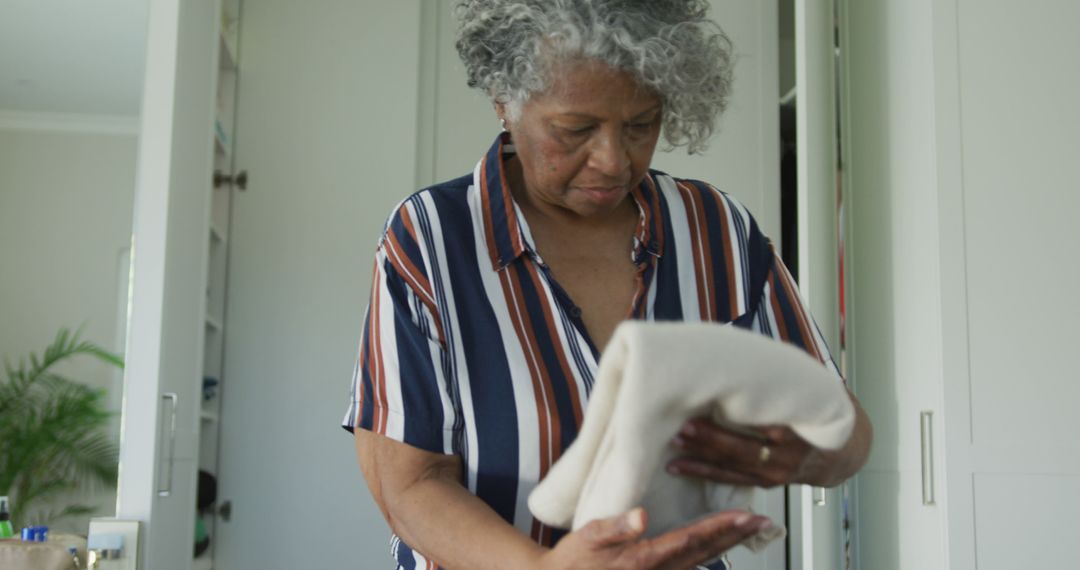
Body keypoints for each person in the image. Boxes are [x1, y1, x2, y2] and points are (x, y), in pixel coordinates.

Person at [342, 1, 873, 568]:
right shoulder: (431, 237)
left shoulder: (717, 230)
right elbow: (410, 484)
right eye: (576, 130)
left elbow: (847, 434)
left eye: (642, 124)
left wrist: (801, 456)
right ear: (504, 101)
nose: (613, 161)